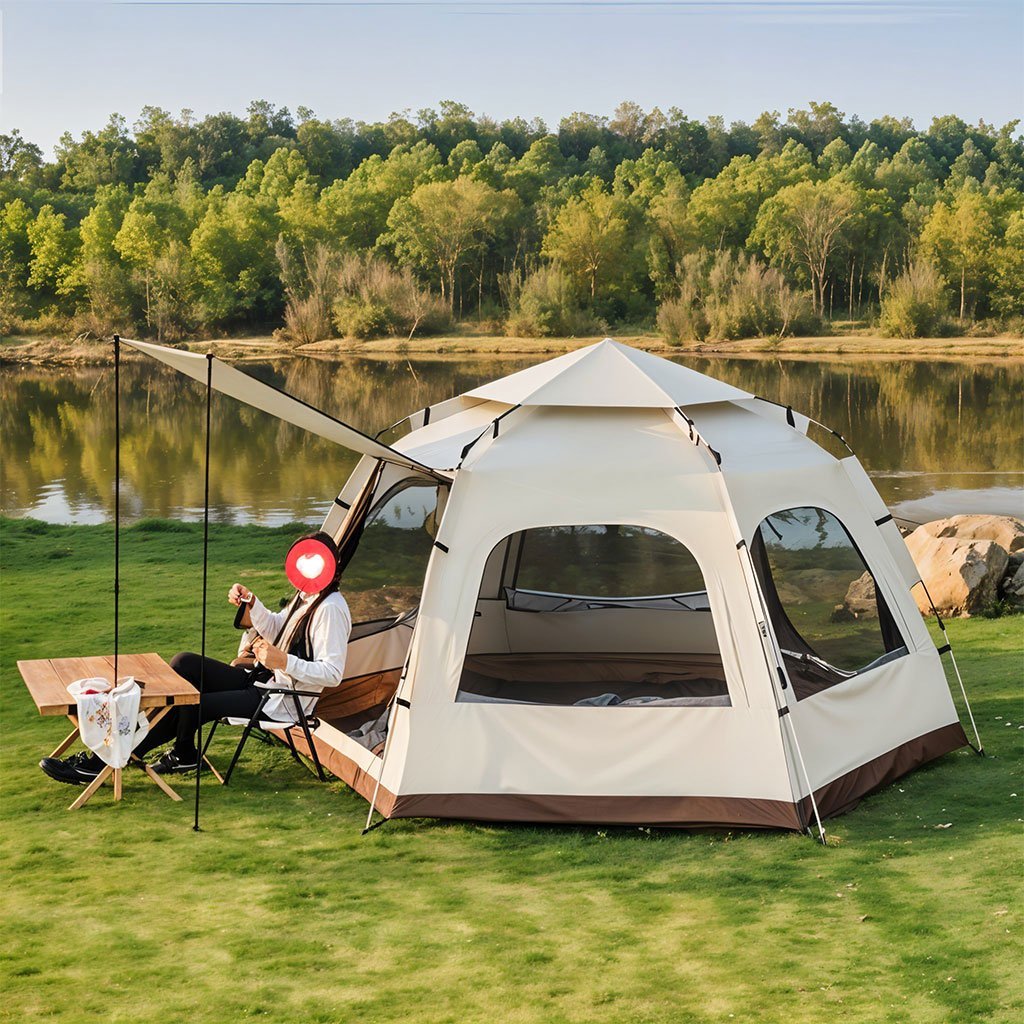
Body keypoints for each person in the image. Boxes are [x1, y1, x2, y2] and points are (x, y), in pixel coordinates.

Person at [39, 532, 351, 785]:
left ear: (330, 566)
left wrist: (283, 662)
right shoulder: (308, 594)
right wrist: (252, 603)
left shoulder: (332, 609)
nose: (306, 570)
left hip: (281, 699)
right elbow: (279, 627)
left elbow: (333, 673)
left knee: (193, 701)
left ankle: (103, 761)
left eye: (314, 563)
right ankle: (168, 751)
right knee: (184, 664)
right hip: (262, 680)